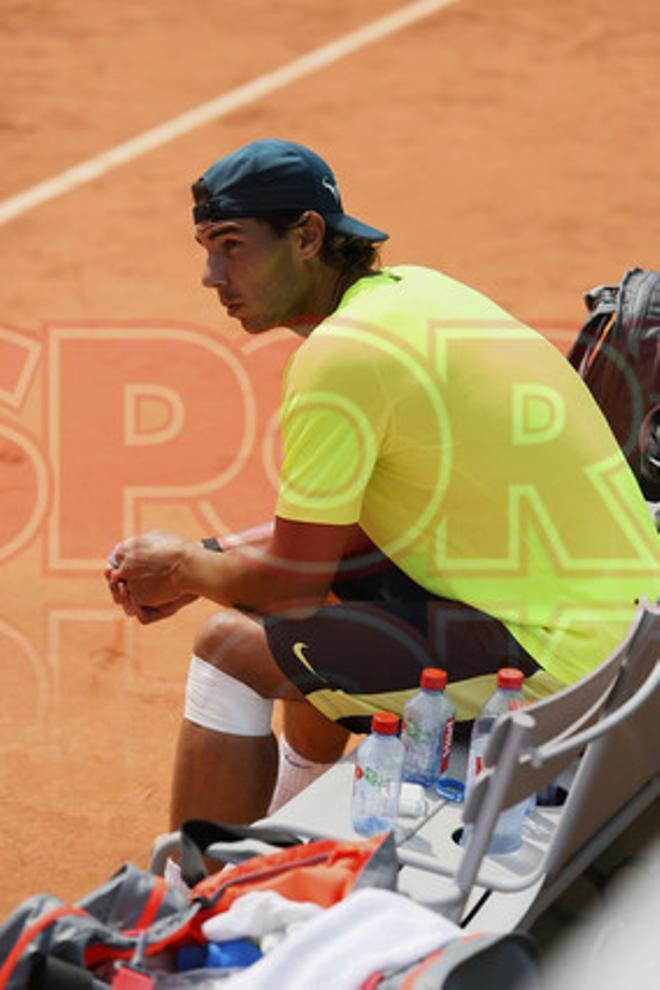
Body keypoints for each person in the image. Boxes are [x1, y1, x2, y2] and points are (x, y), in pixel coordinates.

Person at [106, 138, 659, 828]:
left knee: (227, 651)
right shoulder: (417, 292)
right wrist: (204, 553)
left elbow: (290, 582)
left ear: (307, 236)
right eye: (206, 249)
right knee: (312, 595)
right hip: (633, 624)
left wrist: (187, 567)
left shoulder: (342, 359)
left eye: (231, 245)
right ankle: (298, 803)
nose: (212, 275)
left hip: (573, 663)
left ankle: (184, 910)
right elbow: (334, 536)